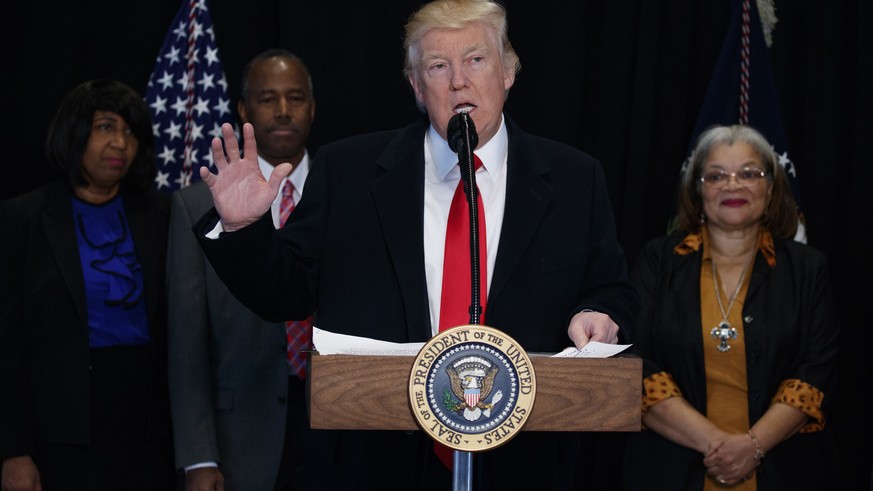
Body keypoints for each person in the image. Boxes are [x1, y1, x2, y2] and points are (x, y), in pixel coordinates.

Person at [194, 0, 639, 489]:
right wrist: (242, 229)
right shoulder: (350, 172)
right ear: (416, 86)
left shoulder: (576, 179)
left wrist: (597, 311)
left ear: (508, 71)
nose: (458, 81)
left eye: (476, 59)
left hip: (522, 463)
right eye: (437, 66)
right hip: (373, 462)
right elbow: (287, 292)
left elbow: (612, 289)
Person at [622, 124, 841, 490]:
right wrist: (720, 447)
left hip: (783, 472)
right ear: (698, 188)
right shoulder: (658, 260)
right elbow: (635, 364)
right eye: (716, 175)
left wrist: (753, 447)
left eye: (749, 174)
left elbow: (815, 373)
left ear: (771, 189)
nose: (733, 185)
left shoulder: (808, 268)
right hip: (670, 471)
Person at [0, 79, 175, 490]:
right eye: (105, 127)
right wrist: (13, 450)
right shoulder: (22, 219)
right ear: (74, 132)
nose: (120, 143)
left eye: (131, 132)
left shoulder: (163, 215)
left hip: (148, 429)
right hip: (60, 432)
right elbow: (7, 346)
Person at [167, 49, 315, 491]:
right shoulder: (196, 205)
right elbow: (186, 341)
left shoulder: (349, 191)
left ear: (314, 107)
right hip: (239, 436)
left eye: (296, 98)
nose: (284, 111)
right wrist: (198, 457)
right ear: (243, 109)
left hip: (334, 429)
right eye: (268, 99)